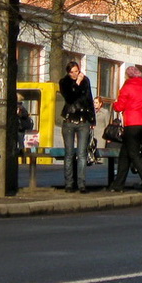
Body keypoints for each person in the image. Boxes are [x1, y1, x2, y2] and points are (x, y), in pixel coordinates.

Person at [109, 65, 142, 193]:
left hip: (132, 124)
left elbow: (119, 107)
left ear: (128, 76)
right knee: (124, 155)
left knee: (134, 155)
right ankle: (118, 185)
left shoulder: (127, 88)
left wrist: (115, 104)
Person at [58, 61, 95, 193]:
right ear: (68, 72)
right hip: (69, 119)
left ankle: (81, 184)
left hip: (83, 120)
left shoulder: (86, 81)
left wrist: (92, 119)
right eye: (72, 72)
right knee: (69, 153)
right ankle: (69, 183)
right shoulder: (64, 82)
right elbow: (70, 97)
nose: (75, 74)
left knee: (82, 153)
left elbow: (89, 99)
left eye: (77, 71)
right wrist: (77, 83)